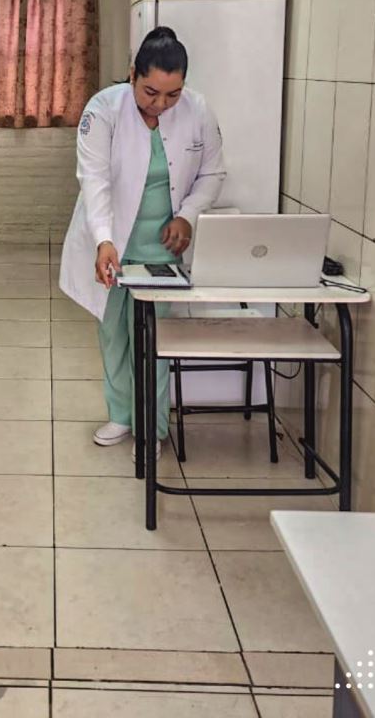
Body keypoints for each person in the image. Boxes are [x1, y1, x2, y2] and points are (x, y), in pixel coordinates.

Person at [59, 26, 226, 461]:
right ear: (132, 74)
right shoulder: (104, 109)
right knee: (113, 333)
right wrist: (104, 240)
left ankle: (151, 425)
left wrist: (187, 215)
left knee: (152, 338)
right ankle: (120, 415)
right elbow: (93, 180)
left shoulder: (198, 110)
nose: (160, 104)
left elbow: (212, 173)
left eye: (172, 95)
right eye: (151, 92)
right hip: (111, 242)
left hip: (160, 248)